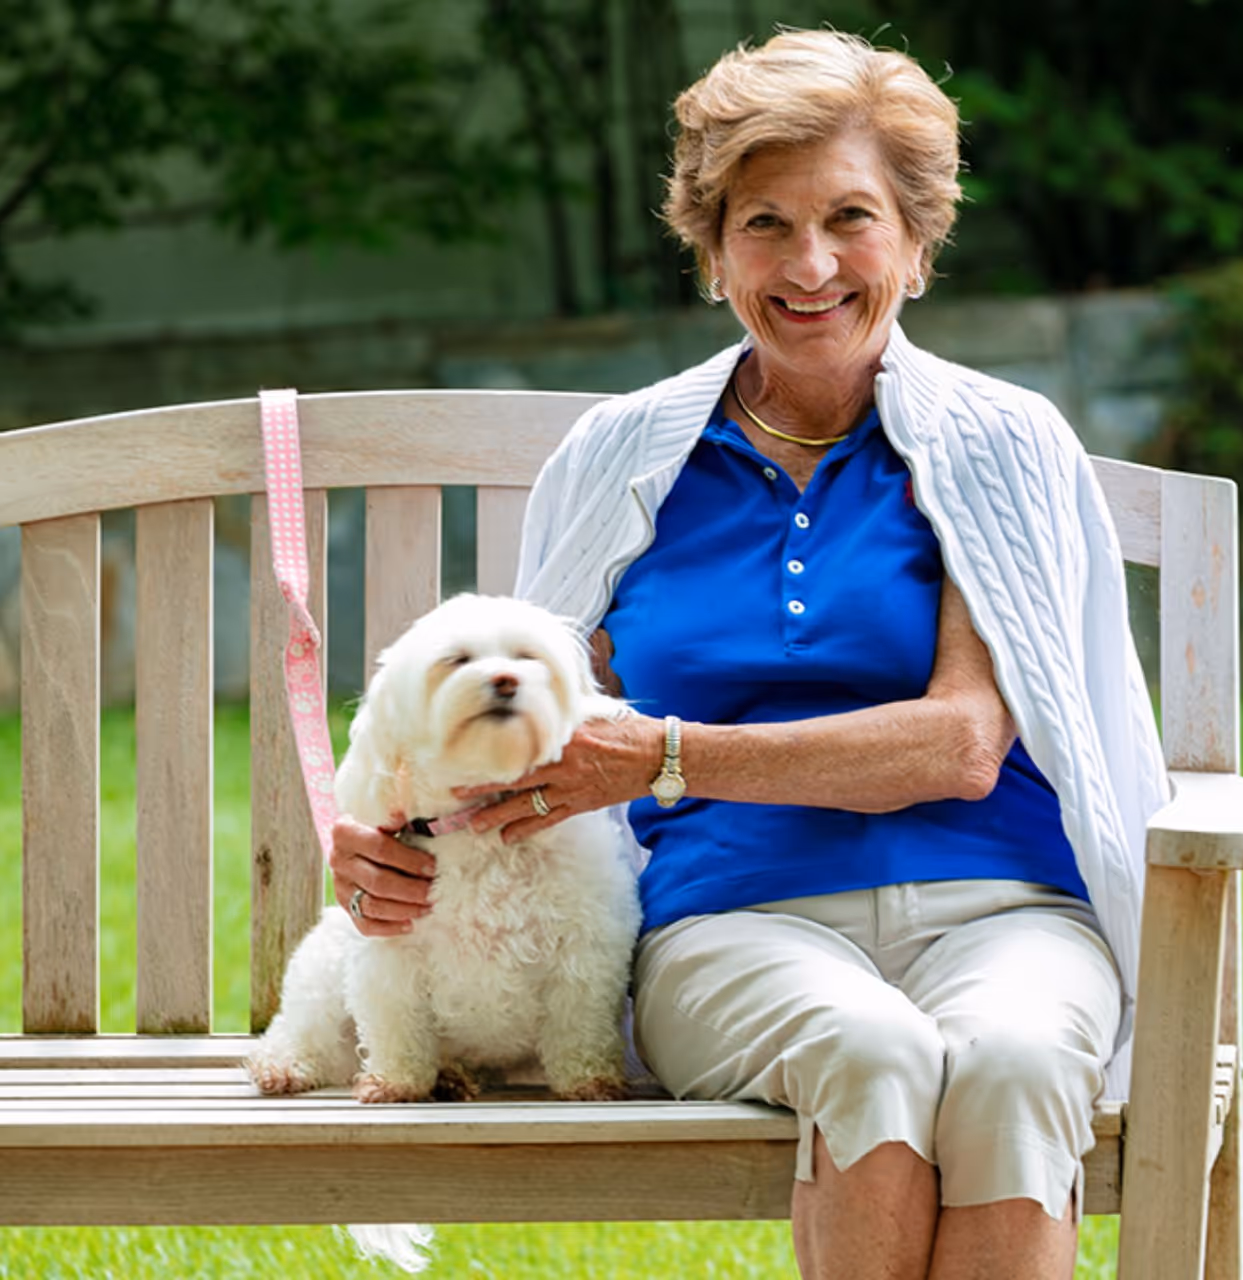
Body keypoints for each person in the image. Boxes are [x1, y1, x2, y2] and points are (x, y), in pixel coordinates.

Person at [326, 29, 1167, 1280]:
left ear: (919, 246)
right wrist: (391, 839)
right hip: (732, 921)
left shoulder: (993, 446)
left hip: (1005, 907)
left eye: (852, 218)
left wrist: (668, 751)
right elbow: (521, 735)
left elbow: (960, 744)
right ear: (713, 251)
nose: (811, 263)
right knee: (868, 1051)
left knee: (1015, 1059)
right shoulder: (624, 459)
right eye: (765, 223)